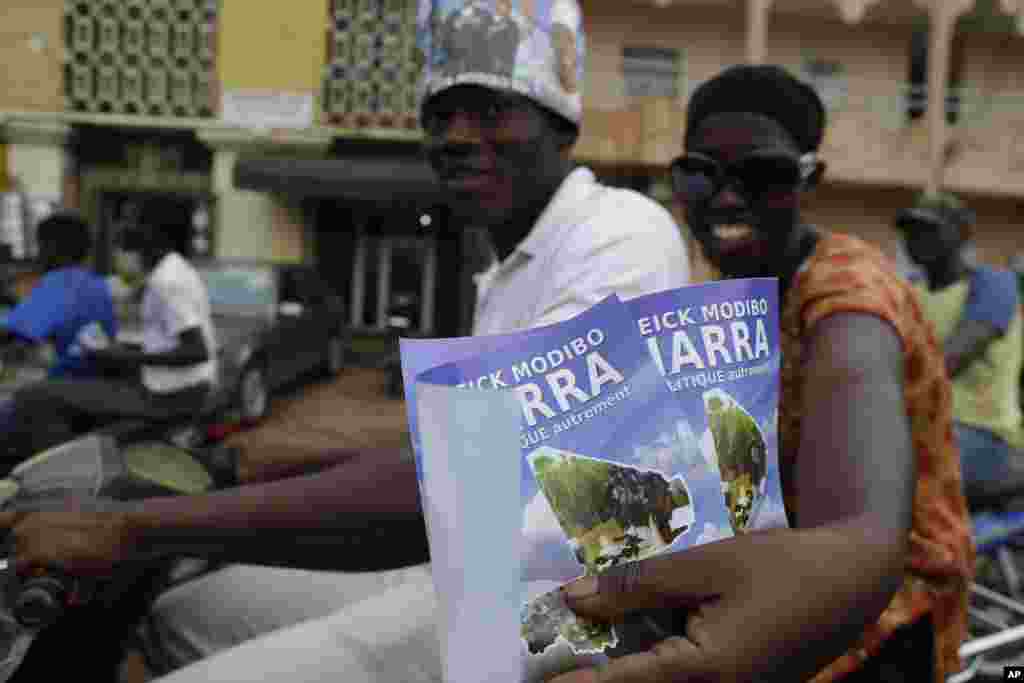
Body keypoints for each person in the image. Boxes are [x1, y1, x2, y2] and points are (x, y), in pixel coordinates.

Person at [0, 1, 690, 680]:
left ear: (561, 126)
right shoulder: (505, 268)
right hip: (467, 562)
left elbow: (472, 477)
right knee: (180, 613)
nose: (455, 135)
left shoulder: (619, 234)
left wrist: (138, 527)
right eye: (441, 114)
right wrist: (240, 462)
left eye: (489, 110)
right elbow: (435, 442)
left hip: (561, 607)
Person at [547, 64, 973, 683]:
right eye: (701, 175)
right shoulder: (733, 296)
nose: (725, 198)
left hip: (887, 616)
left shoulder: (848, 290)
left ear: (810, 178)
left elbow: (849, 545)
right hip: (774, 580)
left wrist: (846, 548)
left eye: (762, 176)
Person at [5, 202, 217, 460]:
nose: (122, 244)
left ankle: (47, 473)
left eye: (129, 232)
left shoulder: (165, 282)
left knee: (28, 398)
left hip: (166, 394)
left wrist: (124, 356)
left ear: (51, 249)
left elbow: (16, 333)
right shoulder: (101, 283)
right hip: (164, 384)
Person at [896, 192, 1023, 488]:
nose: (916, 238)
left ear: (962, 234)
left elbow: (947, 362)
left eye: (929, 229)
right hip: (918, 428)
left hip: (982, 435)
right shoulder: (908, 293)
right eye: (910, 230)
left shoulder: (993, 284)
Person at [0, 211, 117, 380]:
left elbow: (14, 331)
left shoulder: (59, 282)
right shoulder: (94, 282)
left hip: (72, 382)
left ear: (52, 247)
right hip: (98, 378)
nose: (38, 255)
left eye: (40, 246)